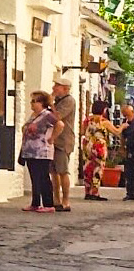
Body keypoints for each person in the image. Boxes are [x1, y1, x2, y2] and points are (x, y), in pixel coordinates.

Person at [21, 91, 58, 212]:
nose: (31, 104)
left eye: (34, 101)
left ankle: (48, 204)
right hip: (30, 151)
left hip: (42, 151)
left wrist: (52, 138)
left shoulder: (47, 115)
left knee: (43, 177)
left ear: (42, 103)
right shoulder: (34, 115)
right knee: (34, 177)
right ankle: (35, 202)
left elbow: (60, 124)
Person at [50, 76, 77, 212]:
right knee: (54, 172)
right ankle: (56, 200)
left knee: (62, 171)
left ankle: (66, 200)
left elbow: (57, 116)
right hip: (54, 140)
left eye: (57, 86)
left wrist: (50, 104)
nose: (54, 87)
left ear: (65, 89)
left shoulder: (69, 101)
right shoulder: (58, 100)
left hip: (63, 140)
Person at [82, 101, 113, 201]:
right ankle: (95, 192)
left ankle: (87, 192)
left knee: (88, 168)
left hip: (88, 145)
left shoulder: (87, 120)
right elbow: (116, 132)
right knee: (98, 168)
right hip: (99, 146)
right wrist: (123, 127)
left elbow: (82, 131)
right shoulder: (104, 121)